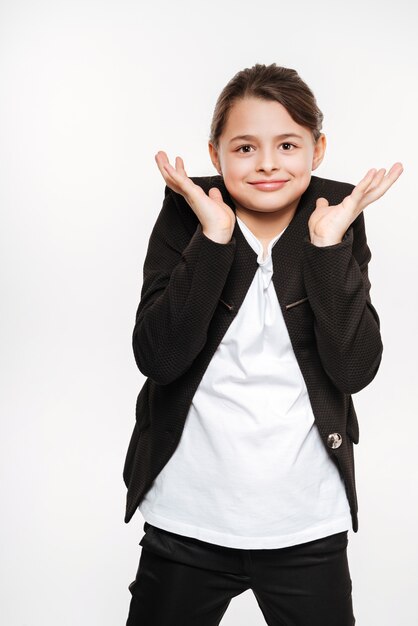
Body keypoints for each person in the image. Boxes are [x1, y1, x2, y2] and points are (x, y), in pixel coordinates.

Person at [124, 63, 403, 625]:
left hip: (305, 522)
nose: (269, 163)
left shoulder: (337, 215)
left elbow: (353, 368)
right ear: (216, 153)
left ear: (317, 149)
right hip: (188, 519)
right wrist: (213, 238)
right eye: (245, 147)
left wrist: (327, 248)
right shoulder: (188, 213)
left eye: (288, 144)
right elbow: (158, 358)